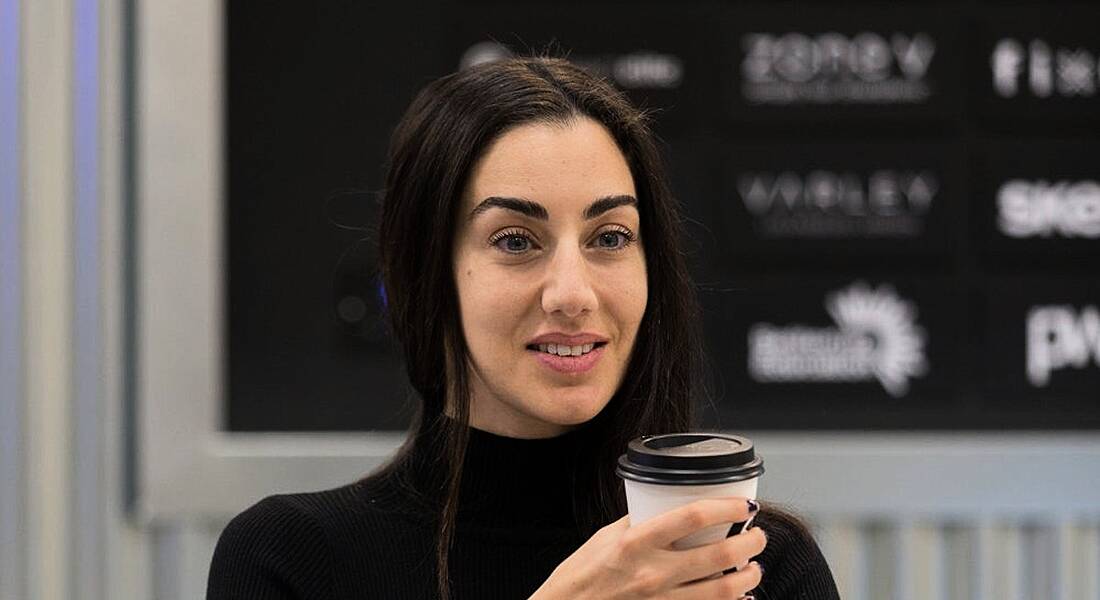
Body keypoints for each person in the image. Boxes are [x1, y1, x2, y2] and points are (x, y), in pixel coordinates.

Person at [207, 56, 839, 600]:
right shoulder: (290, 561)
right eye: (515, 240)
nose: (572, 293)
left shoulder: (752, 567)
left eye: (610, 237)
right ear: (427, 271)